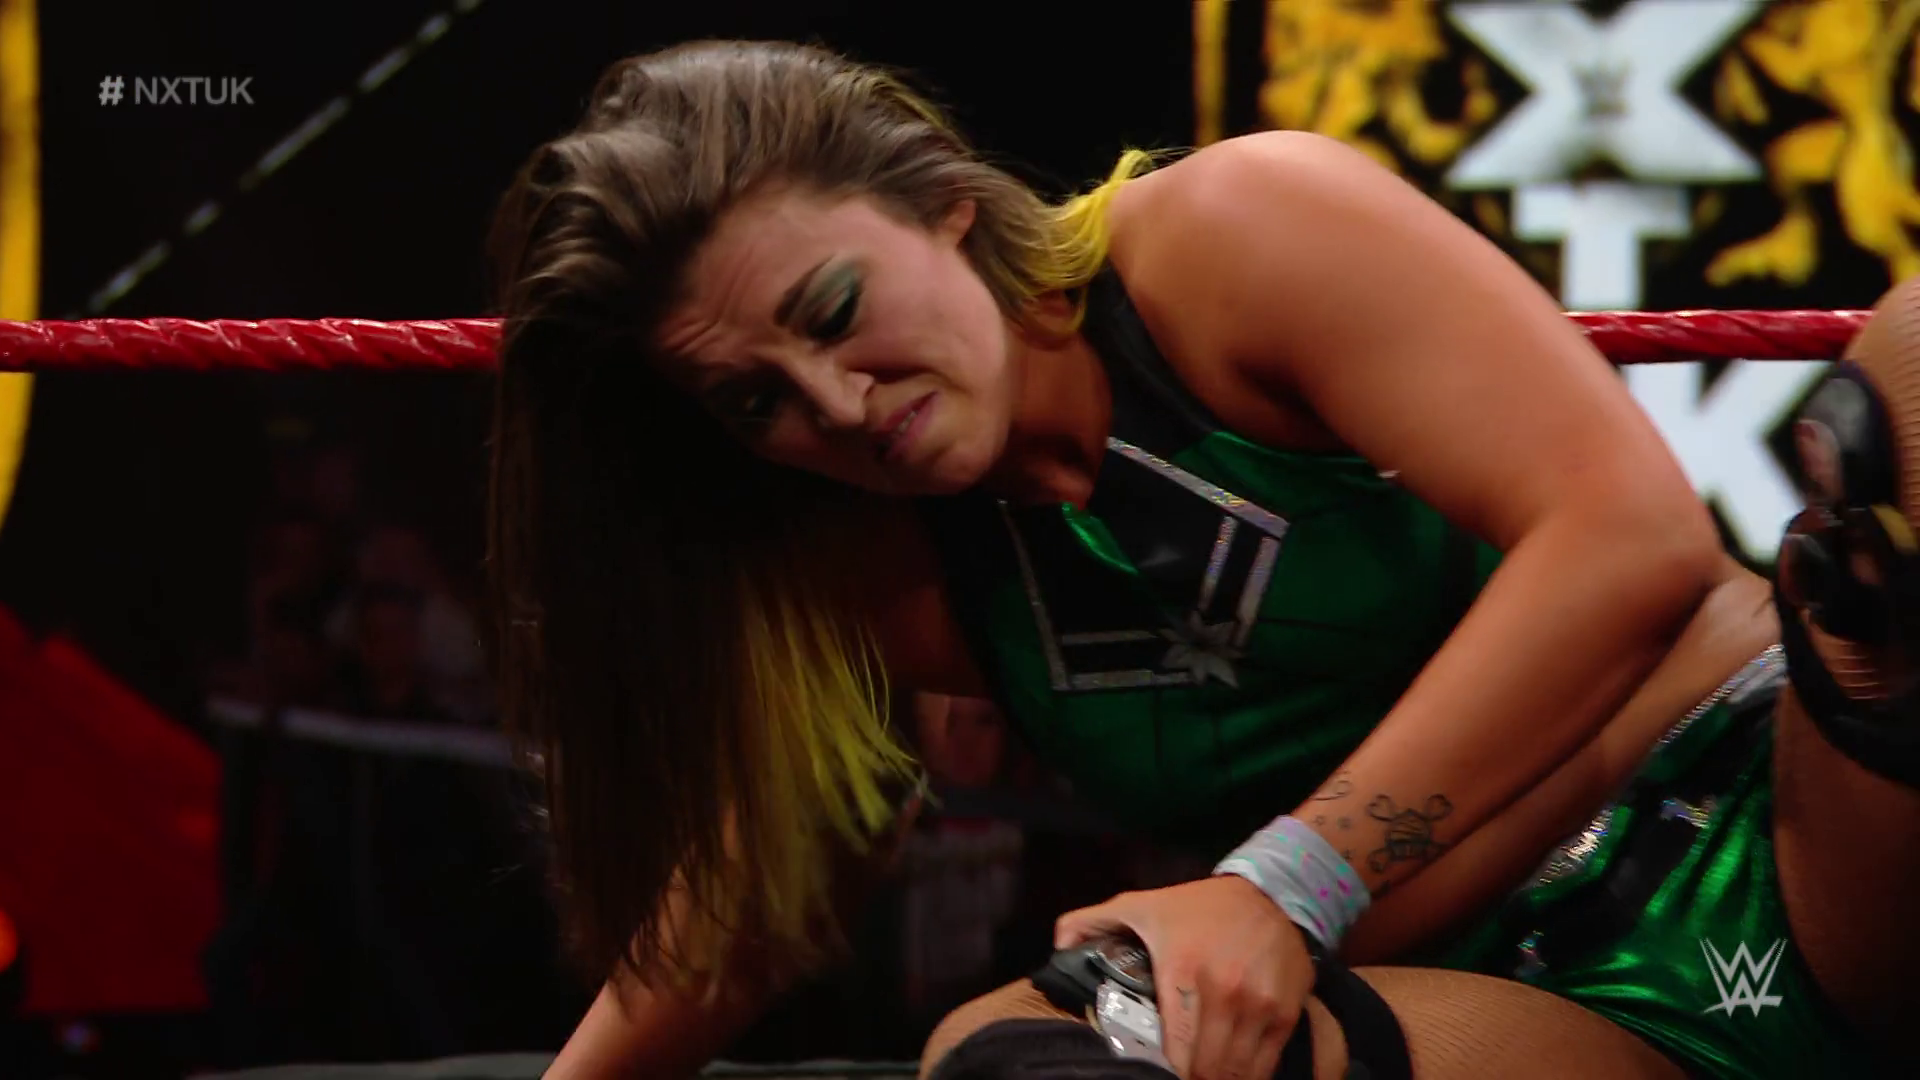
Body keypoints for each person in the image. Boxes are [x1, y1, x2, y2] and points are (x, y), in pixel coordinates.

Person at [483, 40, 1918, 1079]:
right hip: (1519, 1015)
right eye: (756, 401)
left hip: (1795, 828)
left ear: (942, 200)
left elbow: (1633, 539)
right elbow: (746, 907)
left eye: (835, 306)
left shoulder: (1228, 240)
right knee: (1012, 1058)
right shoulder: (872, 561)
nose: (837, 402)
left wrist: (1284, 886)